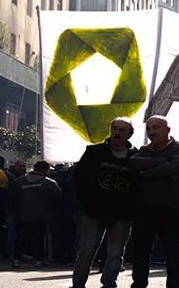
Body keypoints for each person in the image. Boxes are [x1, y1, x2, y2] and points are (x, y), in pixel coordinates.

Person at [71, 117, 138, 288]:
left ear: (129, 134)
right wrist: (86, 203)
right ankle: (78, 284)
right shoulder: (94, 152)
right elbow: (79, 179)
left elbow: (140, 185)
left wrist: (133, 209)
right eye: (114, 128)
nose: (117, 133)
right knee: (87, 250)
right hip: (95, 211)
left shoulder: (136, 156)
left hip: (122, 214)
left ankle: (109, 282)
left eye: (122, 130)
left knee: (116, 253)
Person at [129, 115, 179, 288]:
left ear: (168, 130)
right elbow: (132, 163)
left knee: (172, 251)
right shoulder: (143, 150)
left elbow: (178, 166)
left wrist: (146, 173)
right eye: (148, 128)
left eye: (156, 128)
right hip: (144, 210)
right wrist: (163, 163)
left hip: (171, 210)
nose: (151, 132)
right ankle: (139, 284)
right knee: (141, 251)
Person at [8, 160, 62, 268]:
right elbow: (59, 198)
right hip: (41, 217)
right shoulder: (49, 183)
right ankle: (39, 259)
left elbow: (10, 199)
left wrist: (13, 213)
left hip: (21, 217)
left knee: (20, 238)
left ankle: (17, 259)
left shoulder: (18, 182)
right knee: (39, 238)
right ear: (45, 170)